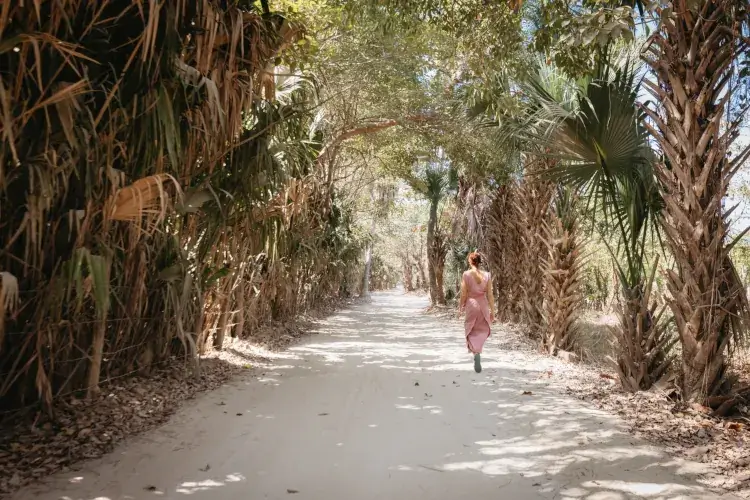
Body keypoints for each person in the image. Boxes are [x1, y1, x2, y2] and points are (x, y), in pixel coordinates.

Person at [458, 252, 495, 373]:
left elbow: (464, 293)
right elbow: (490, 294)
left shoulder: (466, 274)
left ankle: (475, 352)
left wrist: (461, 307)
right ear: (479, 262)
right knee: (483, 329)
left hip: (471, 305)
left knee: (470, 329)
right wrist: (493, 311)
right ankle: (478, 349)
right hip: (483, 305)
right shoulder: (487, 275)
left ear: (470, 261)